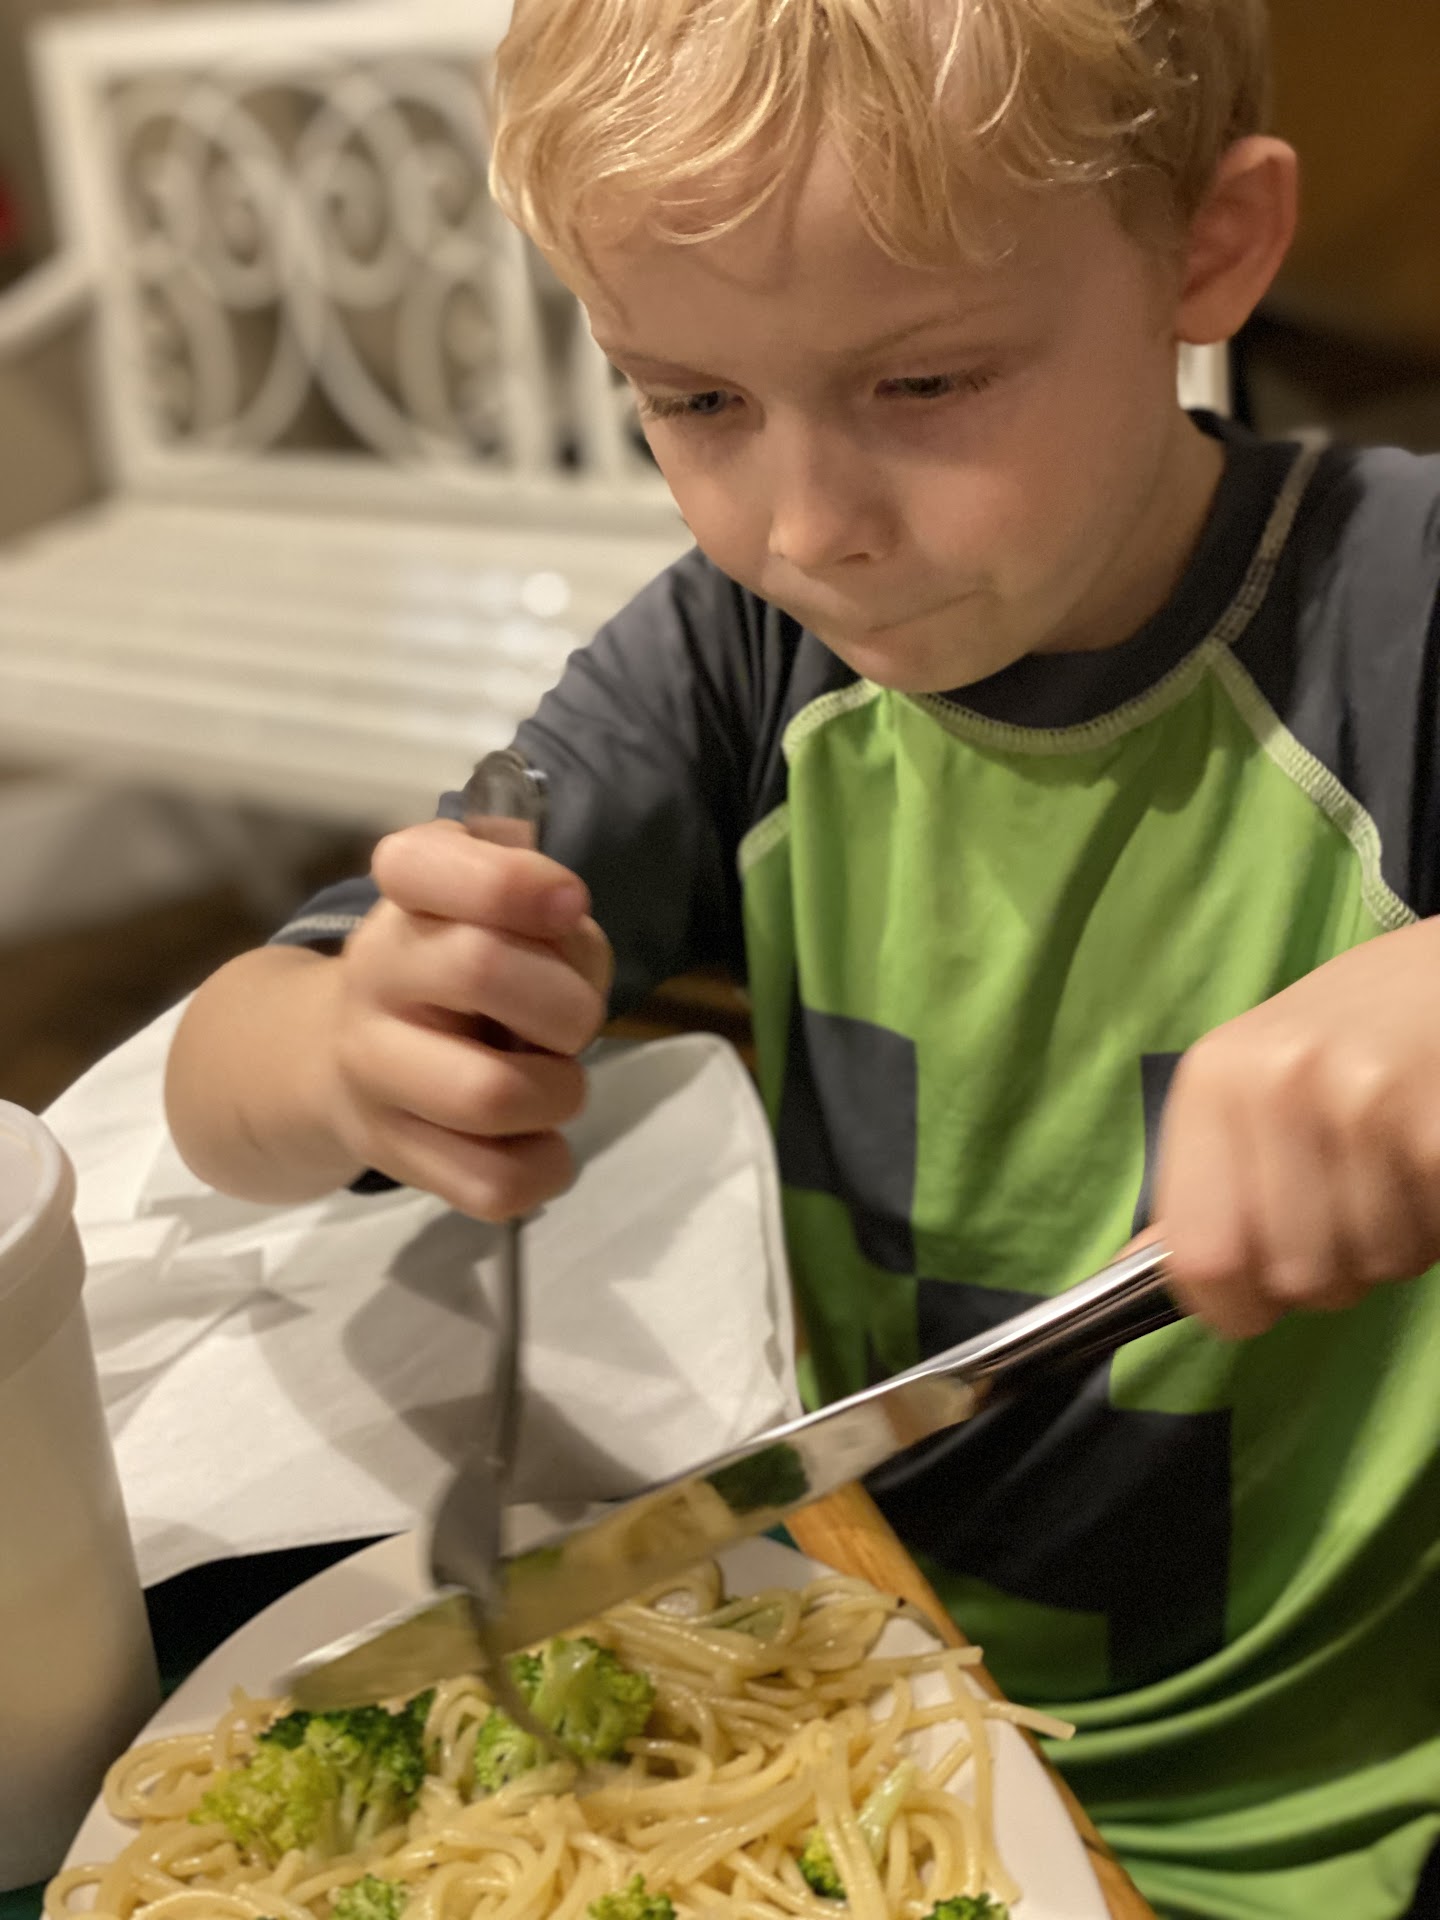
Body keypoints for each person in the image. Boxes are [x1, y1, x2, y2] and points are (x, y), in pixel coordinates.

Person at [164, 2, 1440, 1914]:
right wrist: (357, 1040)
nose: (805, 526)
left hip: (1321, 1812)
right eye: (692, 403)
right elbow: (216, 1085)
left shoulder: (1397, 603)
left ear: (1211, 249)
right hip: (861, 1701)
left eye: (926, 382)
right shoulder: (735, 661)